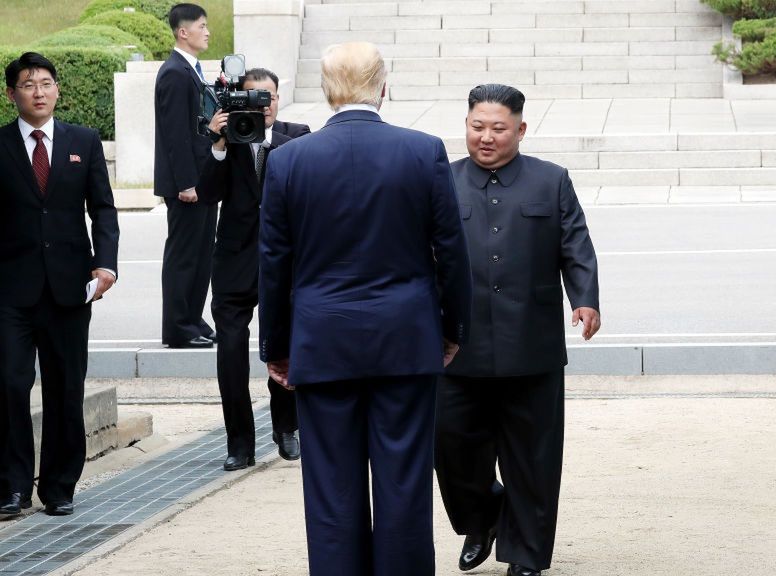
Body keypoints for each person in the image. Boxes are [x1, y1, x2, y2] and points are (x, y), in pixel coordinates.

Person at [258, 42, 472, 576]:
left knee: (331, 484)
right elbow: (451, 251)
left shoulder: (288, 160)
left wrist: (276, 348)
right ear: (382, 86)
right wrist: (452, 328)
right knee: (404, 482)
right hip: (405, 336)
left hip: (322, 338)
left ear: (328, 90)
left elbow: (274, 265)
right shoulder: (422, 151)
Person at [435, 84, 601, 576]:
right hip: (454, 347)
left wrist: (586, 299)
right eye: (476, 127)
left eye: (498, 129)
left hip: (531, 345)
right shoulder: (440, 181)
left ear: (521, 130)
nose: (485, 137)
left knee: (533, 459)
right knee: (450, 446)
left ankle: (526, 556)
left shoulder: (551, 181)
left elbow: (576, 245)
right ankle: (482, 517)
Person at [0, 52, 120, 517]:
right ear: (12, 93)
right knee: (10, 384)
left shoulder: (83, 142)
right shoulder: (3, 144)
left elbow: (103, 209)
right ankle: (12, 486)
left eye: (46, 83)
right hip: (10, 290)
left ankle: (59, 485)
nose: (39, 92)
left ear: (57, 90)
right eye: (28, 84)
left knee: (66, 387)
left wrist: (106, 265)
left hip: (70, 288)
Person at [196, 68, 309, 471]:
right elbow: (206, 195)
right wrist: (220, 142)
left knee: (284, 346)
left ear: (278, 99)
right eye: (253, 98)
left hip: (284, 262)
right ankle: (239, 443)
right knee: (230, 354)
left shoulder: (297, 136)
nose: (263, 105)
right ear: (237, 102)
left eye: (269, 97)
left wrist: (266, 138)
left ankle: (287, 428)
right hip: (234, 261)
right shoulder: (224, 138)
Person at [155, 3, 217, 349]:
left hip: (202, 179)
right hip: (187, 184)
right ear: (184, 32)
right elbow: (175, 135)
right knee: (184, 256)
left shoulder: (191, 70)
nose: (207, 32)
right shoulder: (175, 73)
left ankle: (193, 319)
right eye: (202, 26)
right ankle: (178, 327)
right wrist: (186, 183)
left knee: (202, 254)